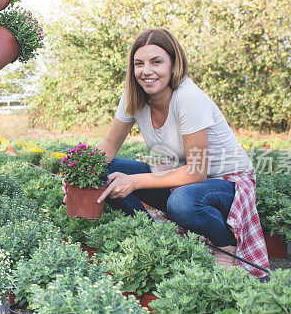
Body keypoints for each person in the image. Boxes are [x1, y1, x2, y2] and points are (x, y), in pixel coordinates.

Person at [75, 27, 269, 278]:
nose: (146, 71)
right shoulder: (134, 97)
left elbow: (198, 172)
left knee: (182, 203)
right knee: (104, 171)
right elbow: (108, 149)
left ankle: (225, 241)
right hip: (178, 177)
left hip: (226, 182)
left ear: (174, 64)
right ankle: (153, 238)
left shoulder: (188, 98)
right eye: (139, 64)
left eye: (157, 62)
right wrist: (77, 172)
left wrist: (134, 181)